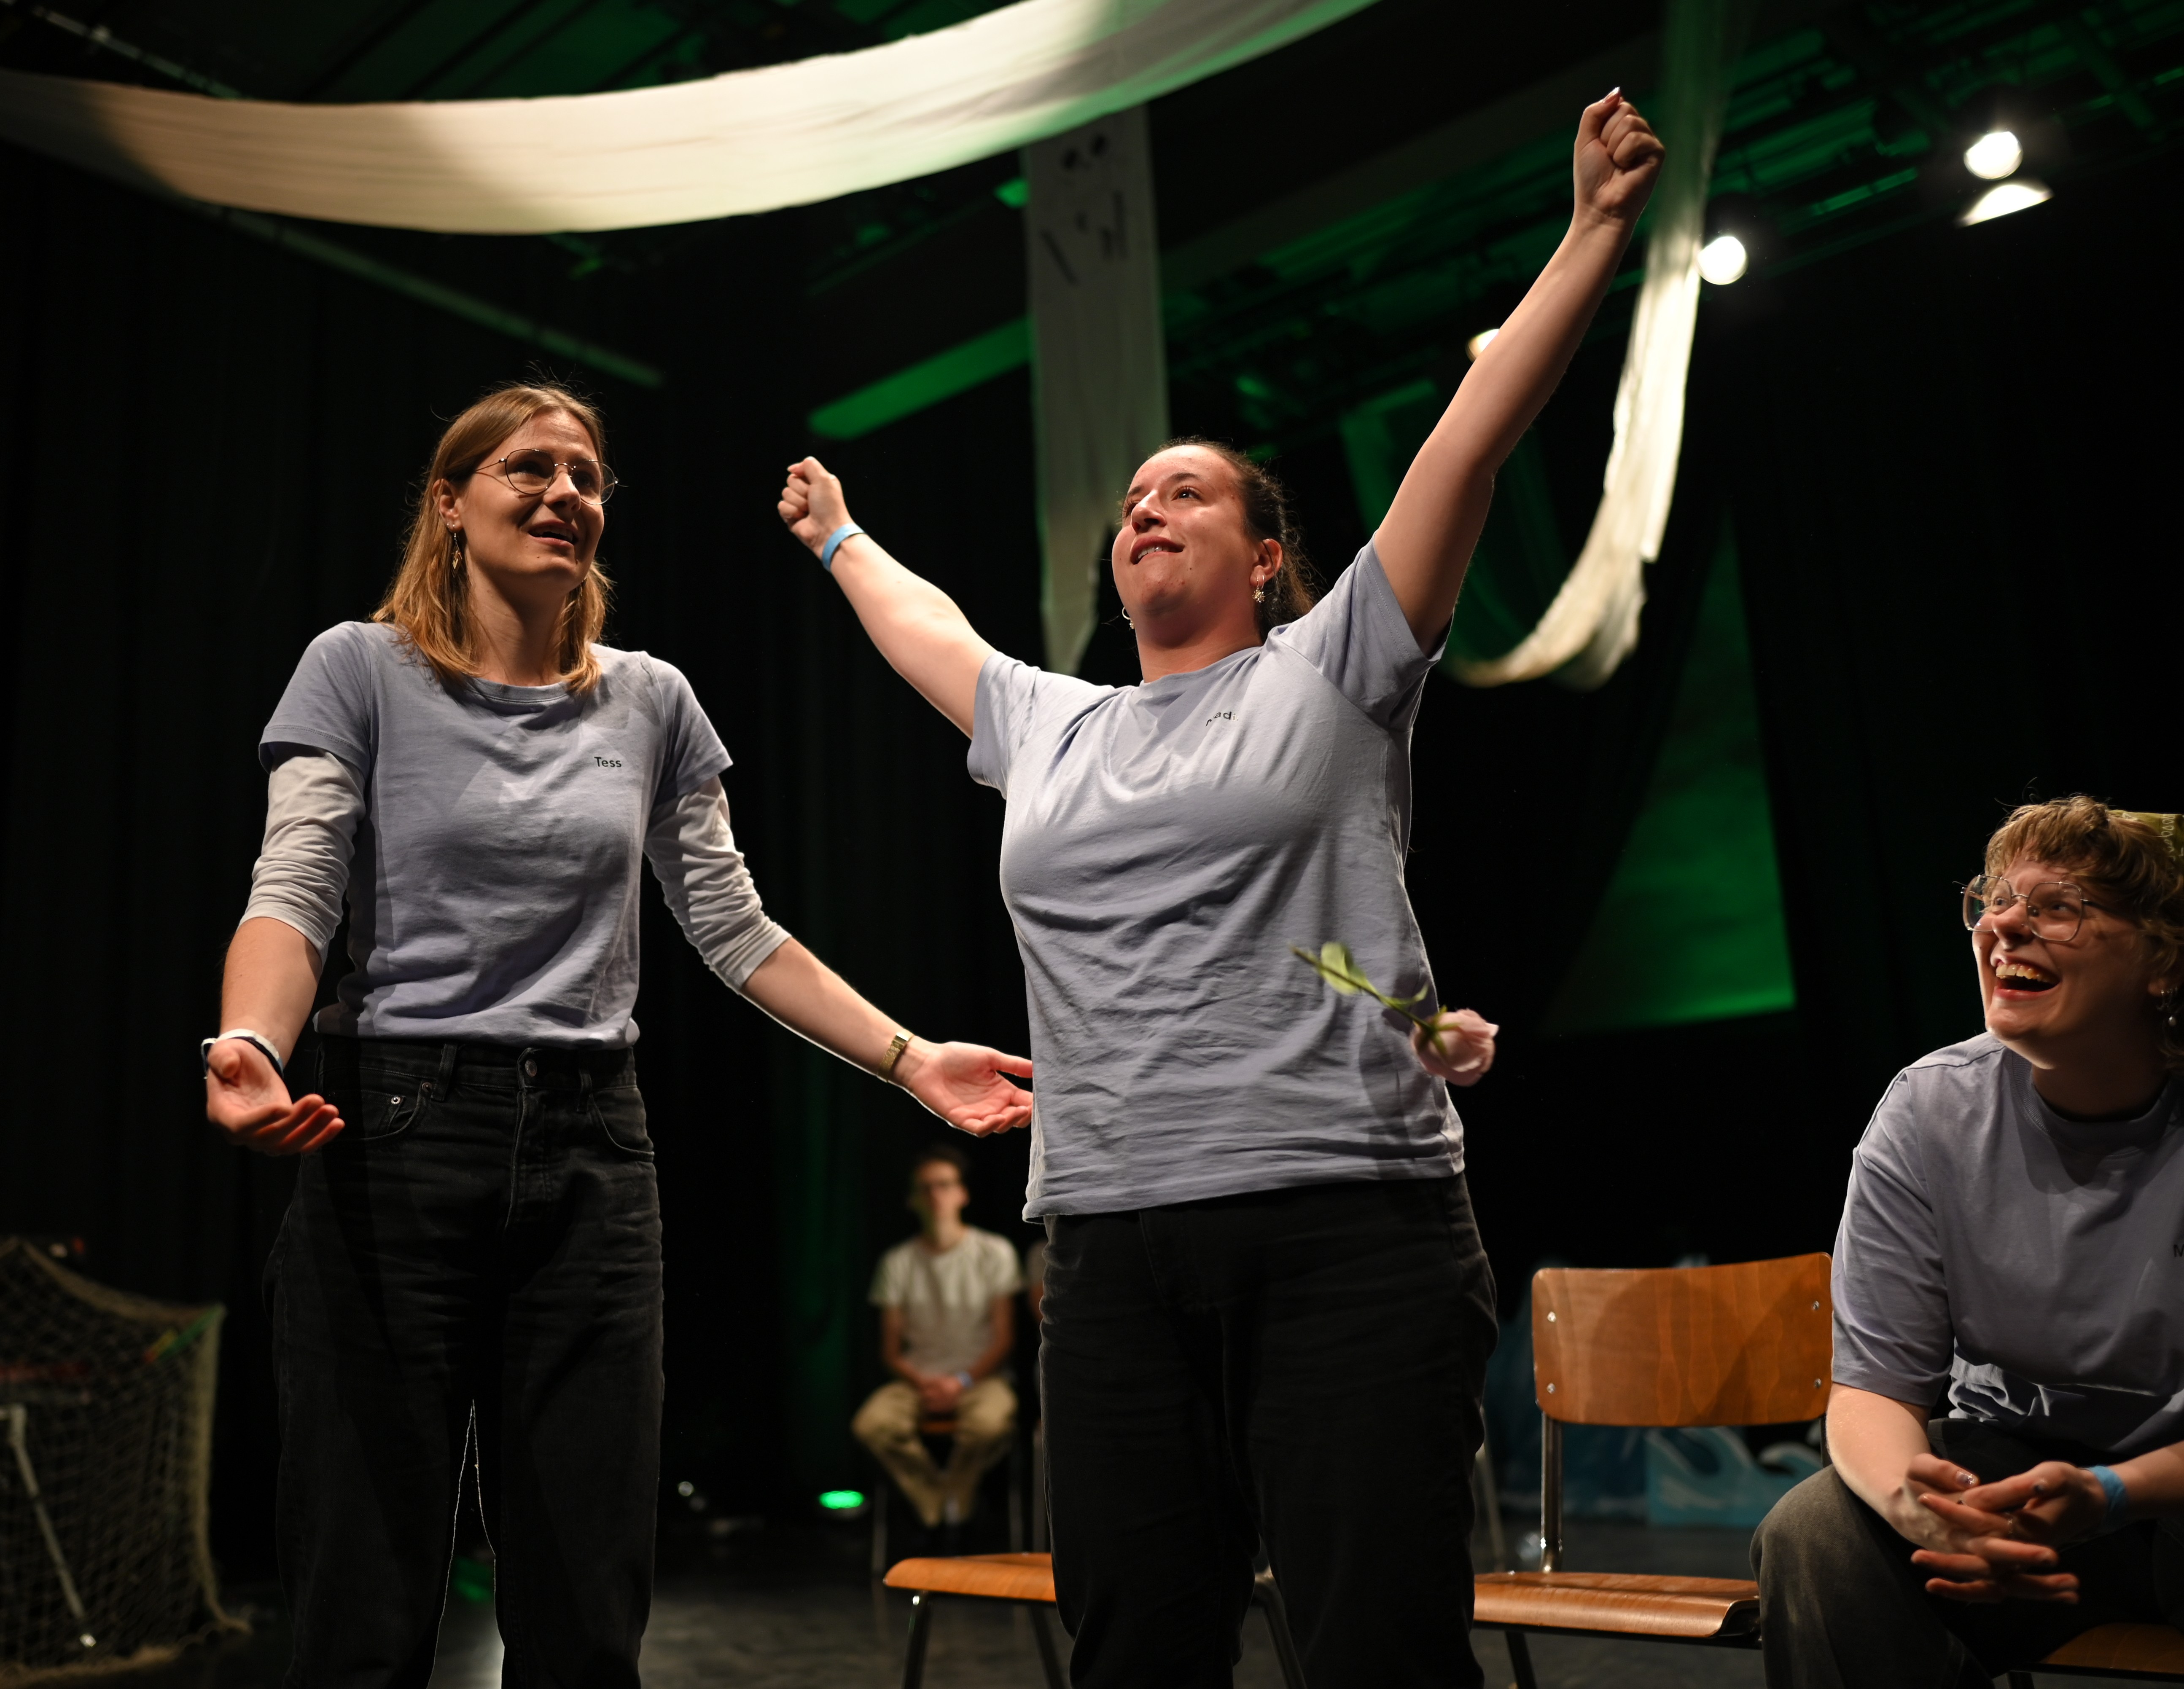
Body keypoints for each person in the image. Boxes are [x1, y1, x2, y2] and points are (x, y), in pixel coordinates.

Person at [776, 90, 1664, 1689]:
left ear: (1264, 557)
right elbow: (928, 630)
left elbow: (1464, 441)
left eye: (1183, 493)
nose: (1145, 510)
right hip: (1110, 1250)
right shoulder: (1050, 723)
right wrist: (842, 538)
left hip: (1347, 1227)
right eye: (1131, 502)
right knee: (1134, 1649)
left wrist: (1592, 233)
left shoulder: (1337, 665)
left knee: (1373, 1649)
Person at [200, 382, 1034, 1689]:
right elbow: (295, 884)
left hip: (592, 1151)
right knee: (362, 1604)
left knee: (586, 1609)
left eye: (585, 475)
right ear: (449, 502)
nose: (563, 493)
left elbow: (734, 928)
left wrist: (910, 1057)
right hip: (396, 1139)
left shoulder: (650, 700)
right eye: (527, 467)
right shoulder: (357, 666)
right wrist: (249, 1042)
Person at [1753, 797, 2184, 1686]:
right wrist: (1930, 1515)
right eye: (1992, 900)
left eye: (2057, 906)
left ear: (2162, 959)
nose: (2002, 925)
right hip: (2016, 1478)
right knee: (1816, 1532)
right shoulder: (1930, 1110)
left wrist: (2110, 1494)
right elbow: (1874, 1387)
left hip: (2164, 1486)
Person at [853, 1146, 1023, 1541]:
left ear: (962, 1193)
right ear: (912, 1199)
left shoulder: (994, 1252)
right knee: (872, 1423)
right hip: (918, 1380)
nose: (935, 1195)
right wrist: (925, 1383)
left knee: (990, 1423)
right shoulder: (897, 1262)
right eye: (925, 1187)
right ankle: (936, 1499)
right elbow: (890, 1351)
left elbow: (1004, 1339)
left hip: (979, 1378)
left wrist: (960, 1382)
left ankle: (956, 1495)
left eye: (944, 1185)